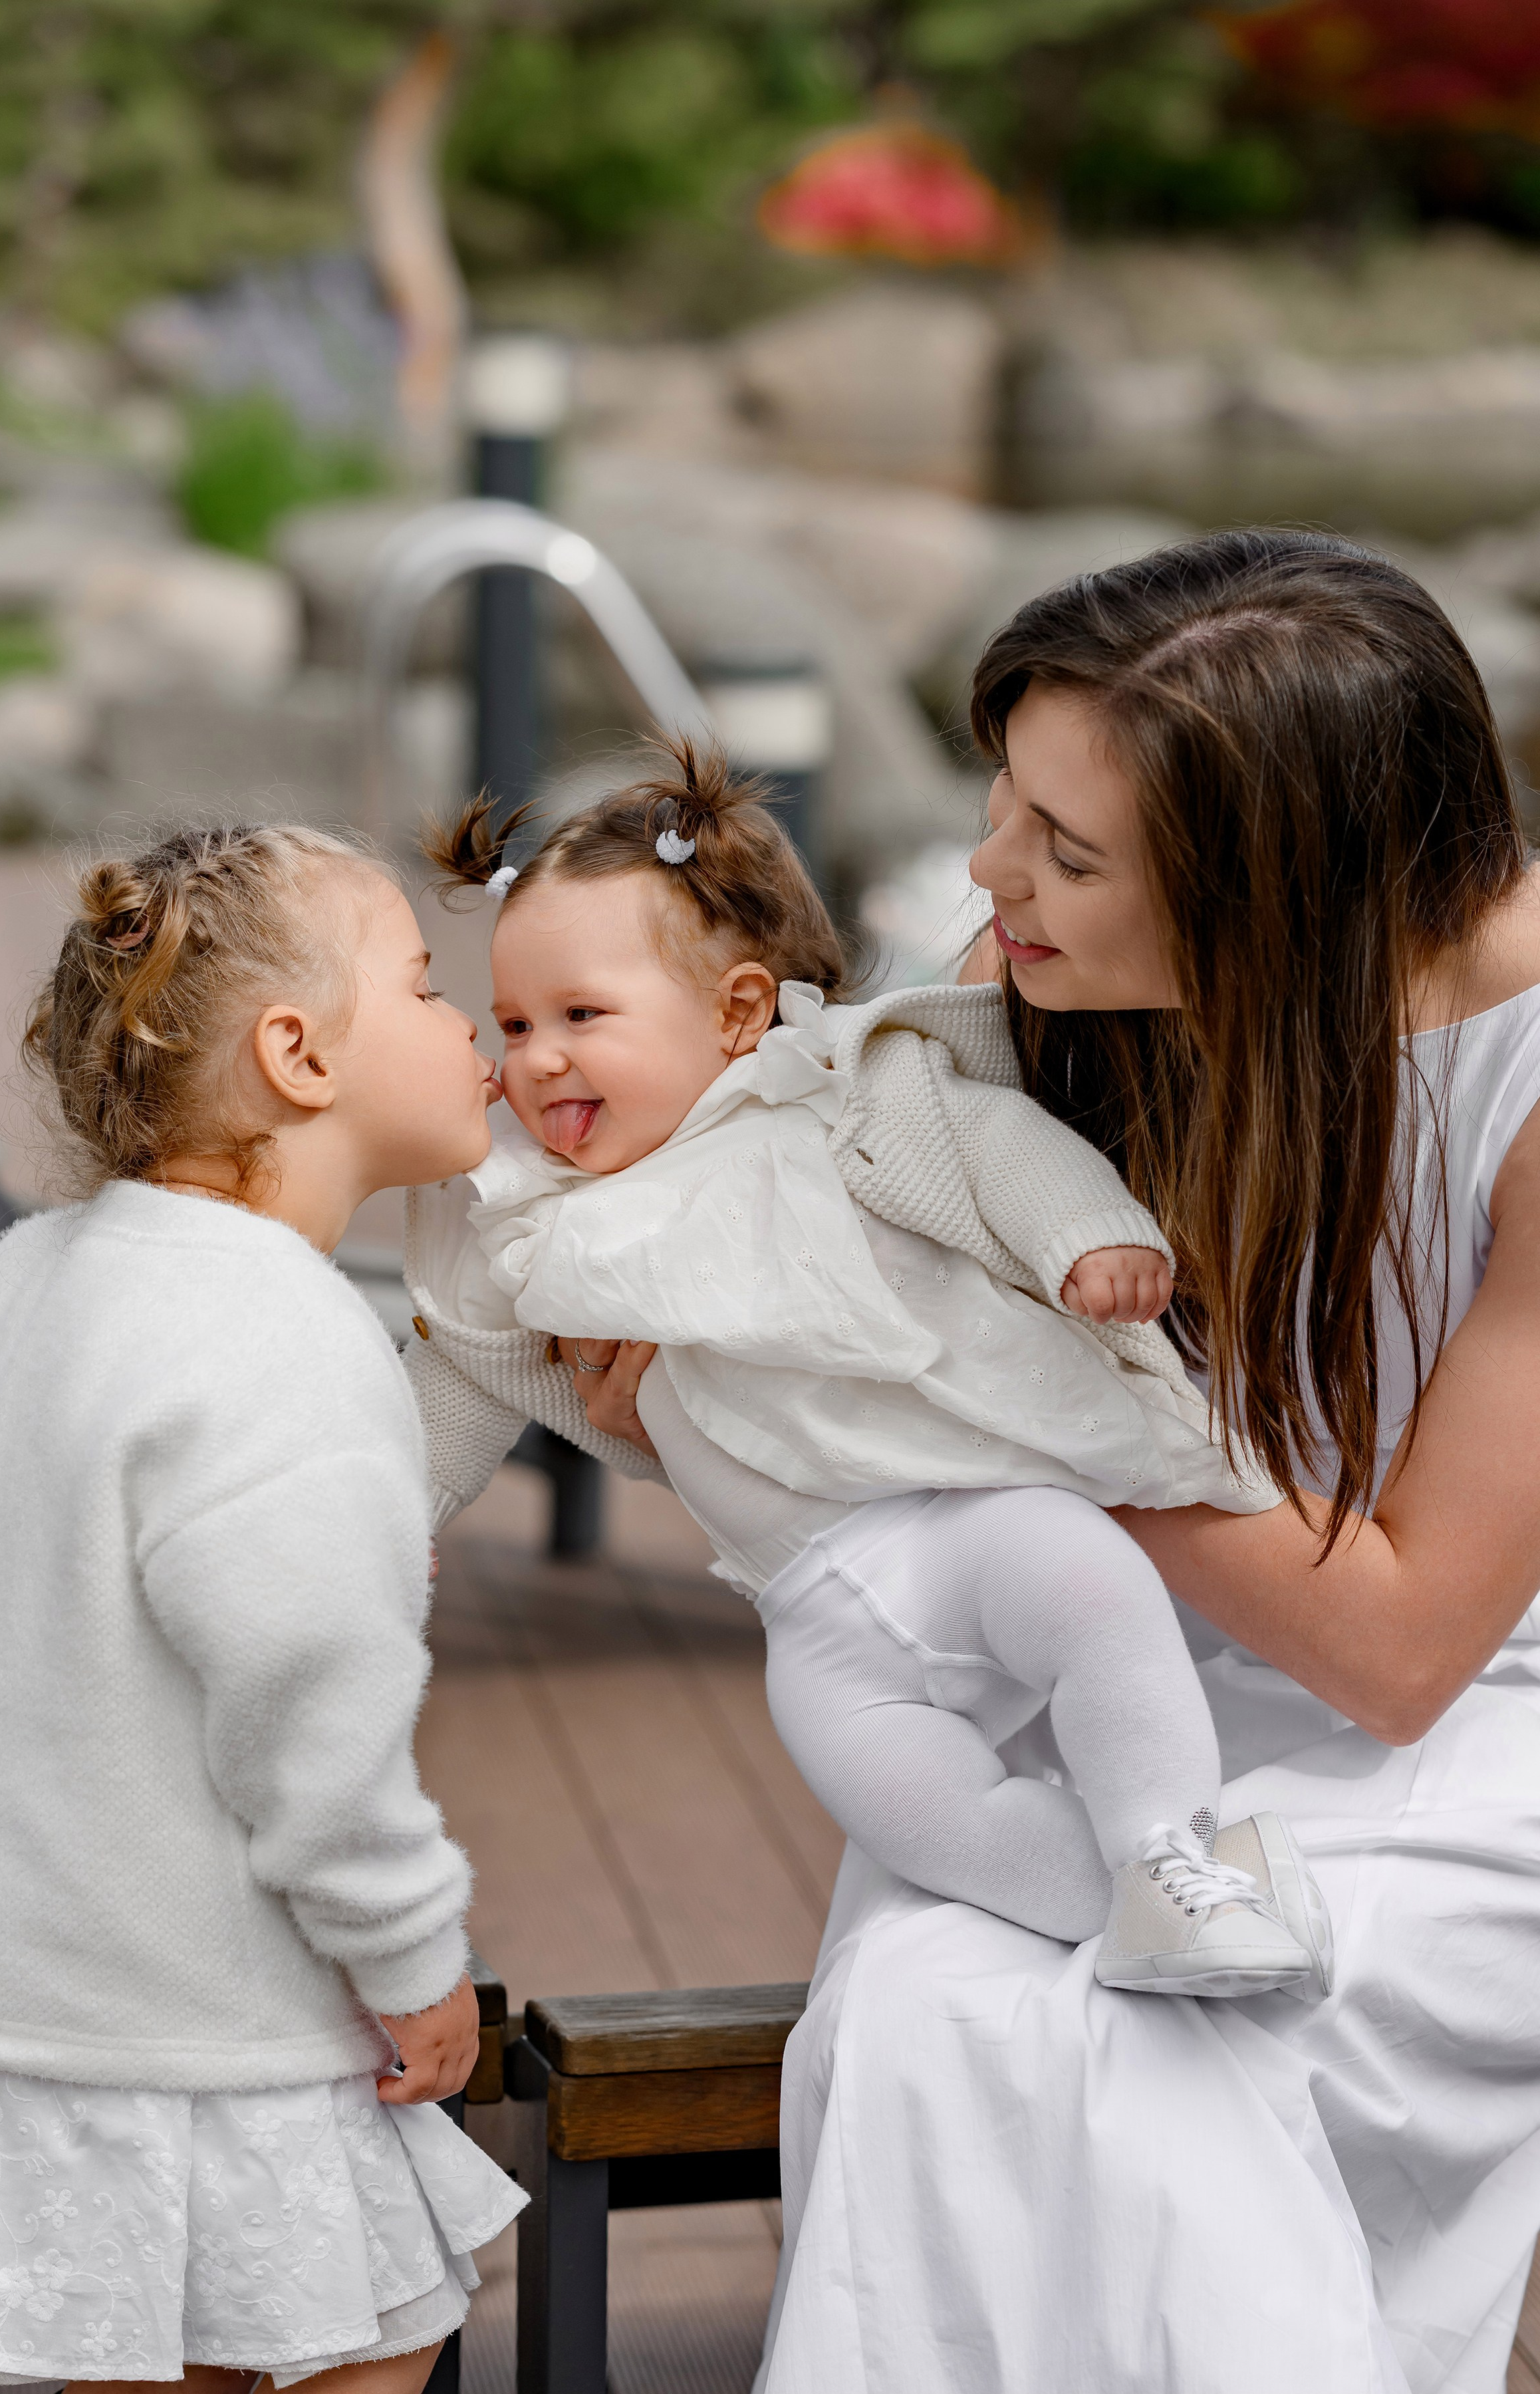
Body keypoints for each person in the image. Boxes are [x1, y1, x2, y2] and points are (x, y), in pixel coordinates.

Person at [569, 531, 1540, 2393]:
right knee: (936, 2014)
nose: (991, 879)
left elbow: (1408, 1649)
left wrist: (974, 1389)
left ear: (1285, 899)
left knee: (1158, 2032)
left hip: (1468, 1737)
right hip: (1122, 1672)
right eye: (1004, 806)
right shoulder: (1069, 991)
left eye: (1067, 856)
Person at [403, 745, 1329, 2000]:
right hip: (814, 1621)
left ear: (736, 1011)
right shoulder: (535, 1224)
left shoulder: (833, 1096)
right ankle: (1124, 1906)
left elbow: (997, 1146)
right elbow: (460, 1379)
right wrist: (387, 1517)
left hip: (967, 1518)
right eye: (515, 1026)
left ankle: (1169, 1843)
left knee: (1096, 1599)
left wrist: (1090, 1239)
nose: (538, 1060)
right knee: (923, 1820)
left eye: (582, 1017)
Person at [0, 824, 524, 2394]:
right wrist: (412, 1960)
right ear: (298, 1053)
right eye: (419, 983)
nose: (466, 1017)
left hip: (20, 2024)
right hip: (220, 2037)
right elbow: (310, 1714)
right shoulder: (281, 1333)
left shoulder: (12, 1285)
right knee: (368, 2357)